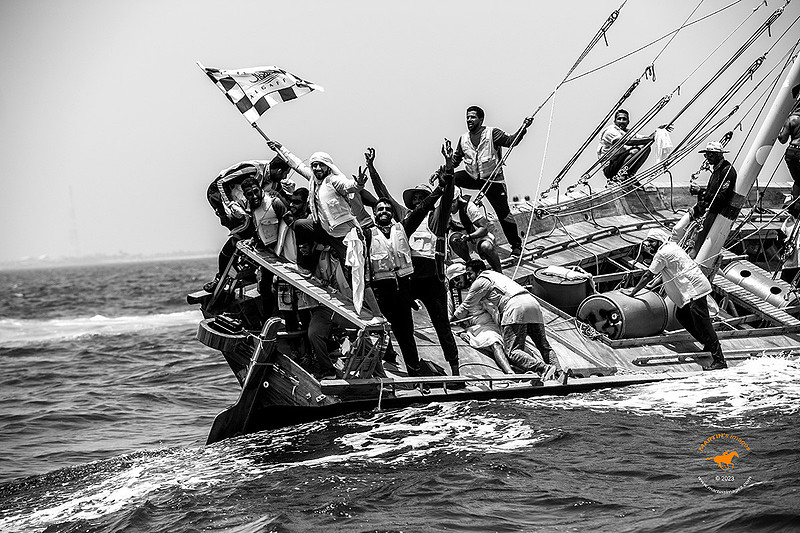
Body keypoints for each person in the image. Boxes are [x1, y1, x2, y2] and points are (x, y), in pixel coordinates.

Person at [365, 146, 461, 375]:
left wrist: (449, 171)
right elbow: (383, 194)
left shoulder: (436, 217)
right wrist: (371, 168)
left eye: (422, 197)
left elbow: (446, 197)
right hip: (408, 281)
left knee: (442, 326)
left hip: (432, 280)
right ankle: (404, 361)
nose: (418, 201)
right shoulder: (403, 218)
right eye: (415, 198)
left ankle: (455, 368)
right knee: (398, 321)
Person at [267, 140, 384, 319]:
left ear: (328, 166)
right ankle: (304, 266)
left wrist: (359, 184)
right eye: (314, 166)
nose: (316, 169)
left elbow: (348, 185)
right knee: (299, 226)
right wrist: (280, 149)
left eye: (320, 165)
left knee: (355, 272)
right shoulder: (314, 180)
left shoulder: (333, 181)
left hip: (345, 236)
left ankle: (377, 314)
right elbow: (296, 164)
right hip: (323, 230)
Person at [624, 229, 727, 371]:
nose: (649, 246)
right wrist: (651, 286)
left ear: (659, 242)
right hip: (696, 287)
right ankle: (707, 344)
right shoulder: (672, 247)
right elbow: (666, 272)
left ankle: (719, 360)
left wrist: (634, 292)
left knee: (703, 324)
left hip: (695, 290)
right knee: (682, 315)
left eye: (651, 242)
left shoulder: (662, 253)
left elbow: (648, 274)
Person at [451, 260, 561, 379]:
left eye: (470, 274)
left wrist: (449, 322)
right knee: (543, 345)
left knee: (512, 352)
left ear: (479, 271)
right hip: (532, 303)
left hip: (515, 308)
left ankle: (543, 368)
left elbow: (465, 307)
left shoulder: (480, 281)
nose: (468, 277)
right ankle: (560, 372)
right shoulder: (497, 275)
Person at [451, 106, 533, 256]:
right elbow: (455, 160)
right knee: (452, 179)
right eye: (468, 117)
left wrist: (523, 128)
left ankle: (515, 245)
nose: (469, 120)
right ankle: (463, 219)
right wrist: (445, 165)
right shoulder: (463, 139)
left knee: (503, 213)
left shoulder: (492, 133)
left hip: (492, 180)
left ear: (481, 119)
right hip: (473, 177)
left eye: (473, 117)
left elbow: (511, 141)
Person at [688, 141, 738, 255]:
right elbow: (713, 191)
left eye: (710, 155)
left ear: (719, 155)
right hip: (706, 208)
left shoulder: (727, 171)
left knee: (697, 247)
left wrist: (700, 191)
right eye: (706, 155)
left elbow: (721, 197)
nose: (707, 158)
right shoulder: (716, 169)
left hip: (713, 212)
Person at [448, 187, 502, 272]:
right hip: (464, 240)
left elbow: (484, 228)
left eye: (453, 202)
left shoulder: (469, 207)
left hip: (478, 237)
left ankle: (499, 272)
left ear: (458, 199)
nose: (451, 206)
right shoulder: (444, 212)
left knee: (486, 247)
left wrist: (469, 237)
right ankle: (470, 263)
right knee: (453, 239)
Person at [777, 86, 800, 199]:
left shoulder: (792, 119)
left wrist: (780, 128)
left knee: (798, 180)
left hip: (793, 151)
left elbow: (782, 139)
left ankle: (794, 201)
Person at [779, 201, 800, 286]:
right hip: (789, 260)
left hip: (798, 262)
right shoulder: (789, 220)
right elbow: (781, 235)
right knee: (784, 284)